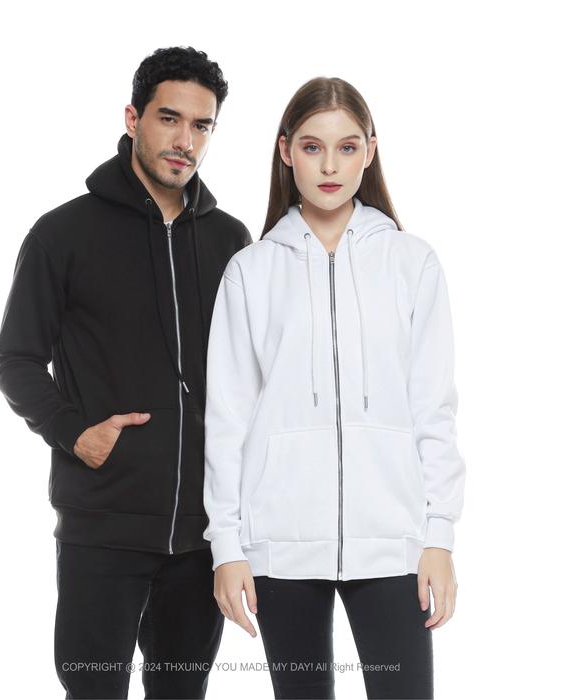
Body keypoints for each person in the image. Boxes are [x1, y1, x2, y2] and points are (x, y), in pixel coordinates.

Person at [0, 46, 252, 699]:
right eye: (169, 118)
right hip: (102, 526)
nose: (185, 140)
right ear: (133, 118)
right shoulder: (63, 234)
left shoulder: (230, 242)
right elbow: (15, 356)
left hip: (203, 537)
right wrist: (73, 432)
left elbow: (252, 375)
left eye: (201, 125)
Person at [203, 77, 466, 699]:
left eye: (347, 148)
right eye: (312, 147)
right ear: (285, 151)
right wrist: (227, 547)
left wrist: (439, 537)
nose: (329, 166)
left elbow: (434, 410)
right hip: (280, 545)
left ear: (369, 152)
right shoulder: (250, 271)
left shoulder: (412, 262)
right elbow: (228, 418)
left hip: (393, 543)